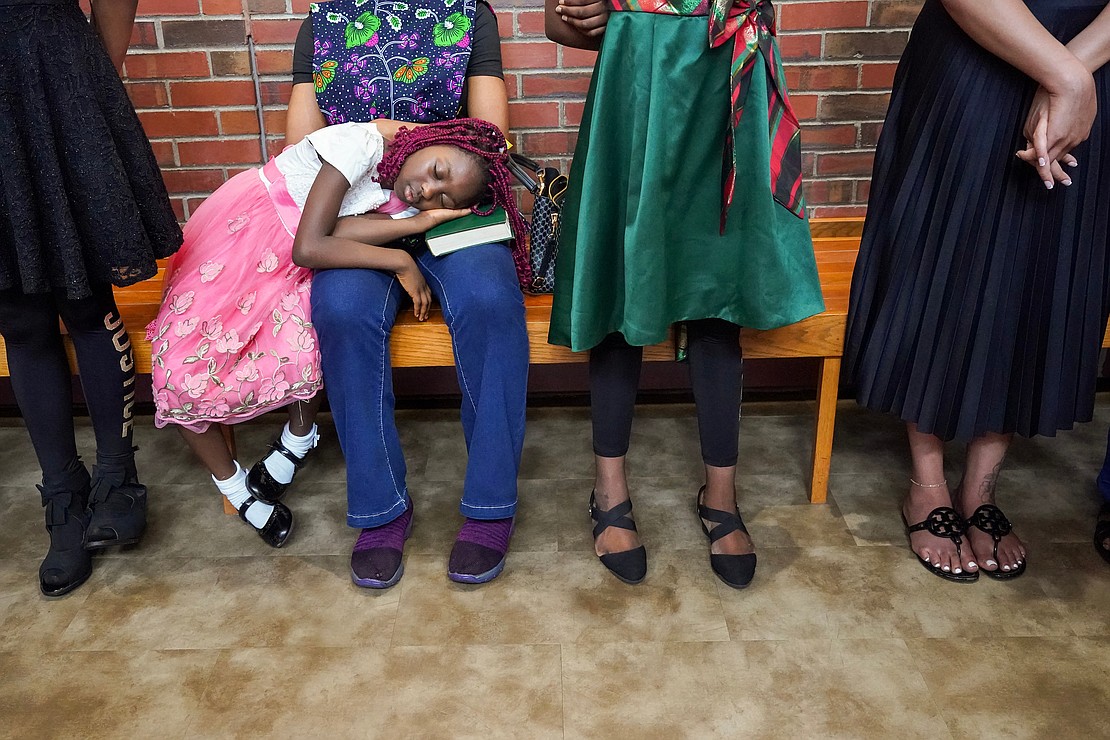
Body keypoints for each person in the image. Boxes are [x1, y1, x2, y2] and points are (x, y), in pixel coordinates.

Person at [545, 0, 825, 588]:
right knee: (625, 283)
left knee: (716, 287)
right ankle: (609, 489)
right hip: (640, 76)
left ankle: (721, 495)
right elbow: (556, 20)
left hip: (726, 74)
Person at [149, 118, 526, 550]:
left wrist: (420, 223)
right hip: (251, 242)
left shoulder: (398, 193)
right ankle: (362, 503)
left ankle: (488, 504)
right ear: (428, 141)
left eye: (441, 194)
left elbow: (338, 229)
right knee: (219, 350)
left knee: (296, 349)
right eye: (435, 174)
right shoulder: (359, 144)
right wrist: (402, 263)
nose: (427, 190)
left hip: (289, 252)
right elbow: (311, 244)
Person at [845, 0, 1110, 582]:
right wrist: (1064, 75)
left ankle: (980, 489)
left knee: (1035, 272)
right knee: (942, 266)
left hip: (1091, 60)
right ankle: (928, 485)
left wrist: (1074, 74)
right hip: (976, 56)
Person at [285, 0, 530, 587]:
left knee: (493, 304)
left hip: (447, 200)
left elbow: (491, 139)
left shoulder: (469, 14)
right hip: (356, 209)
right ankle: (380, 508)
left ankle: (491, 505)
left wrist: (423, 169)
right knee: (340, 310)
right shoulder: (322, 22)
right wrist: (371, 154)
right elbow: (300, 148)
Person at [0, 0, 183, 596]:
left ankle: (116, 474)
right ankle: (62, 494)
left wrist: (89, 74)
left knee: (84, 297)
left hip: (52, 66)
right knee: (19, 316)